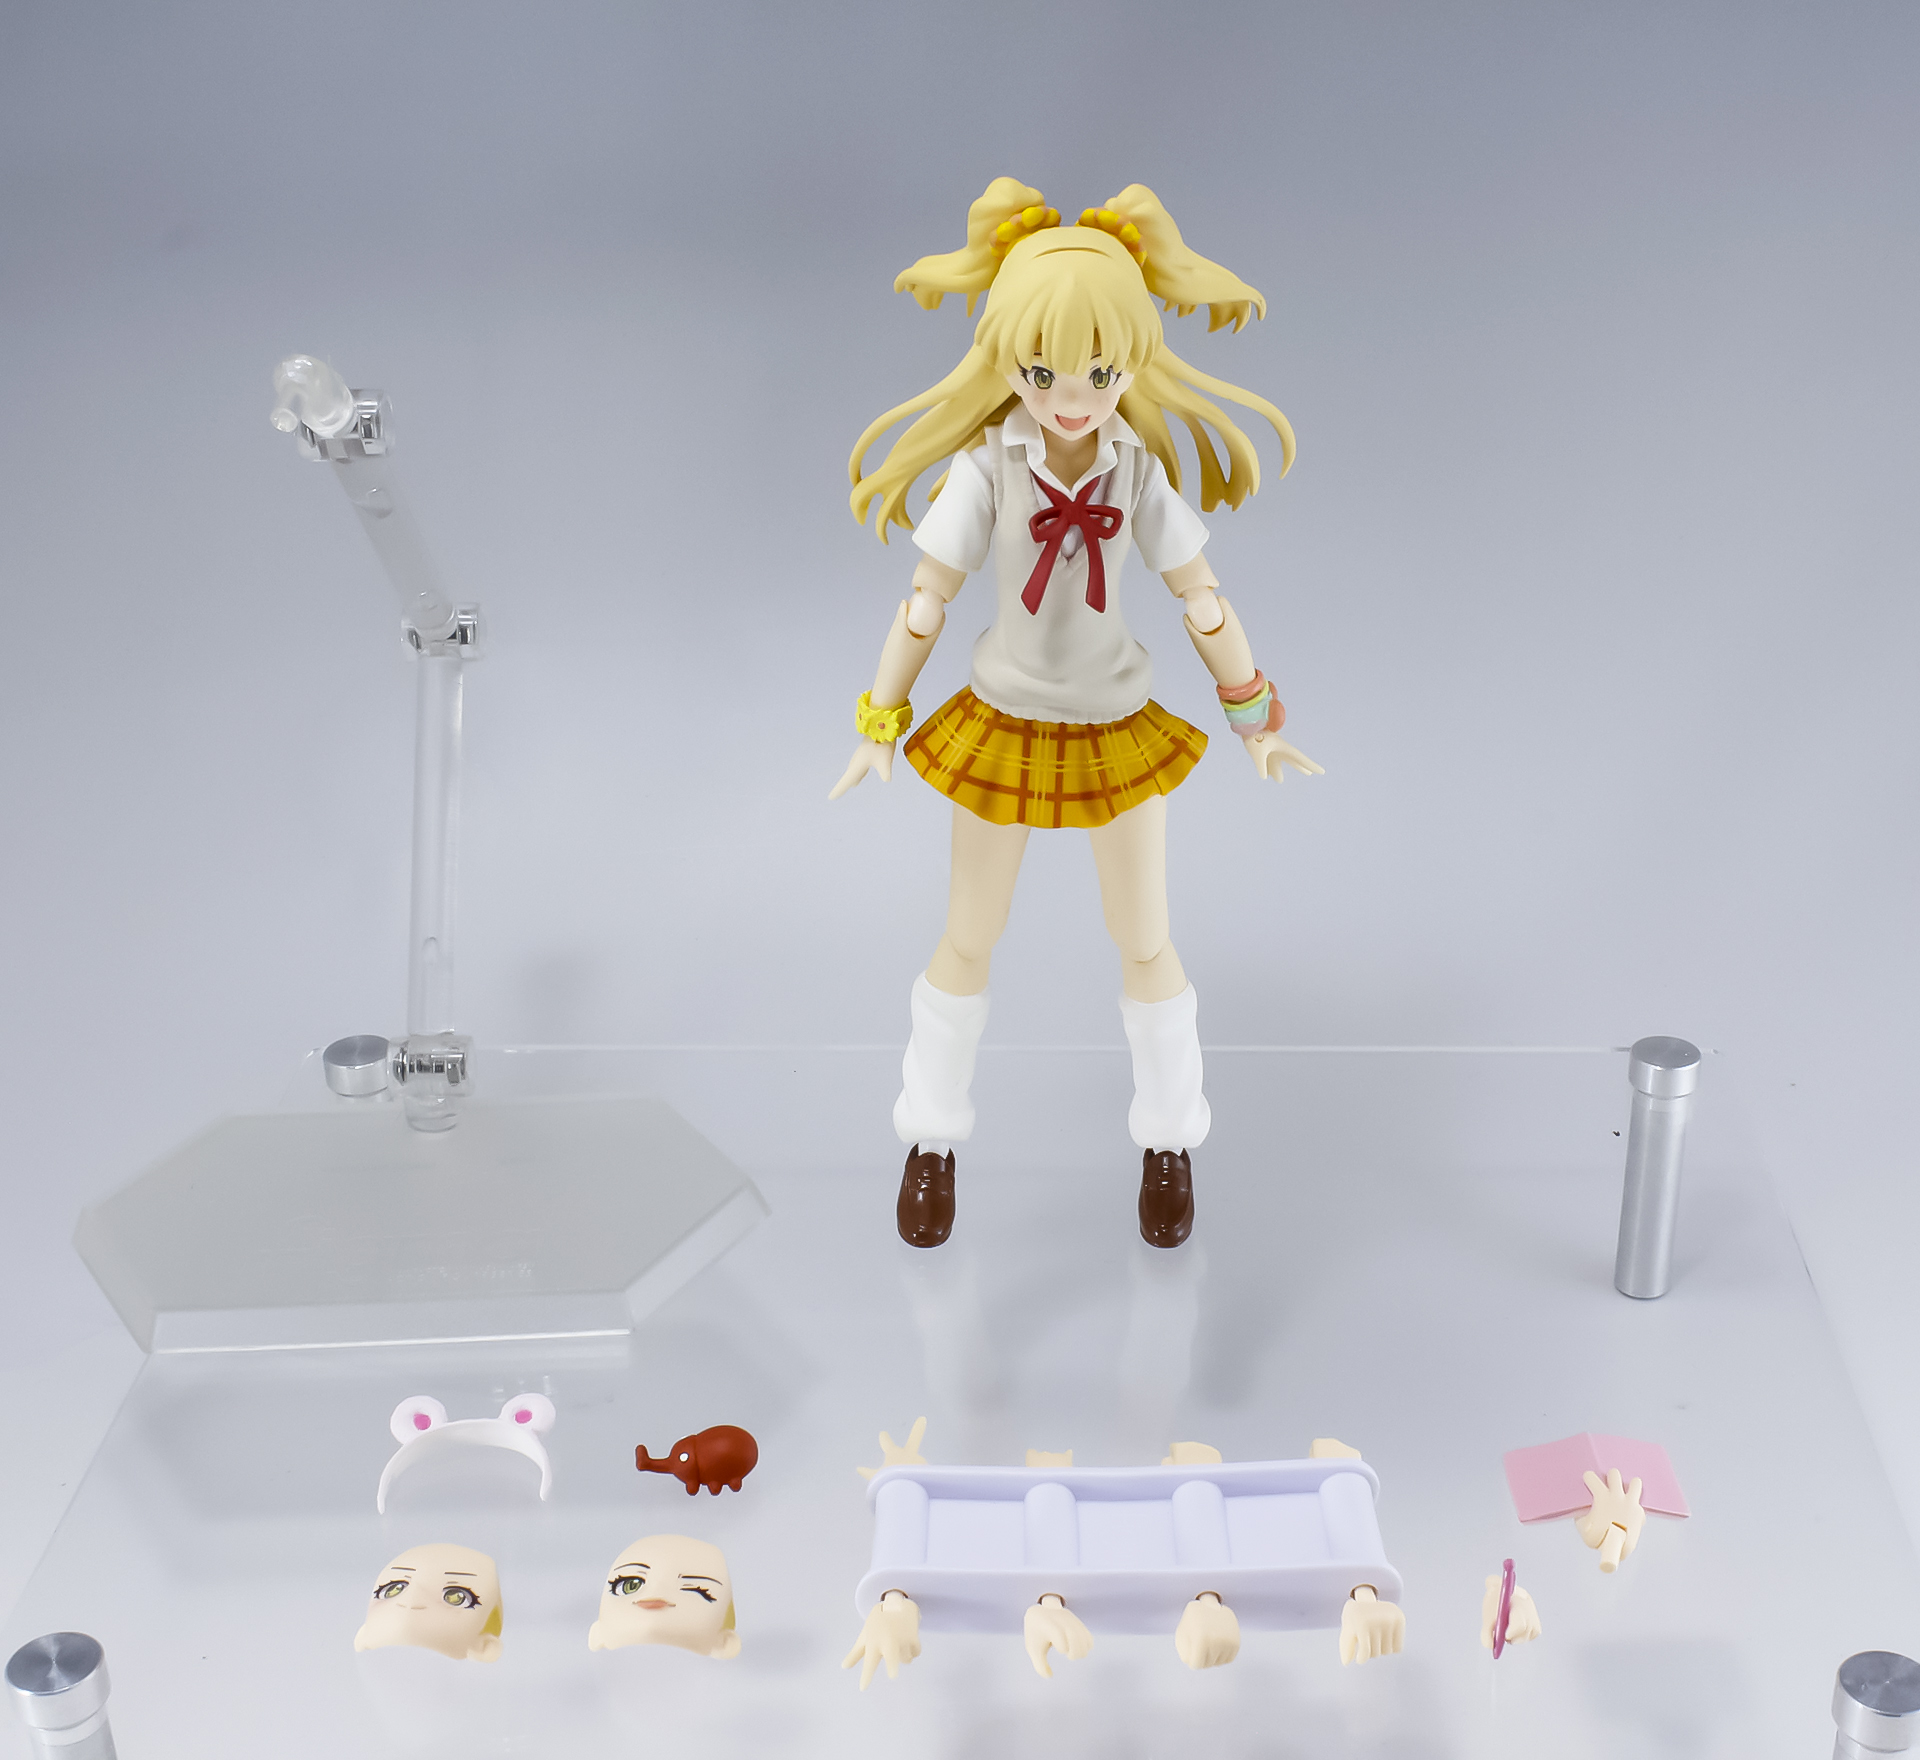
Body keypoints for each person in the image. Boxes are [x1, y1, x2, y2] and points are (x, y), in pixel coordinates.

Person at [834, 177, 1320, 1250]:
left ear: (1130, 366)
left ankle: (1169, 1140)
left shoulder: (1135, 473)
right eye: (1044, 370)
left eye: (1099, 373)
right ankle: (931, 1138)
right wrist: (879, 722)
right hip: (1003, 719)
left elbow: (1203, 599)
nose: (1070, 396)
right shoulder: (985, 470)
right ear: (1007, 359)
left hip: (1114, 724)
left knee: (1145, 940)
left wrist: (1256, 717)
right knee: (969, 935)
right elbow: (923, 602)